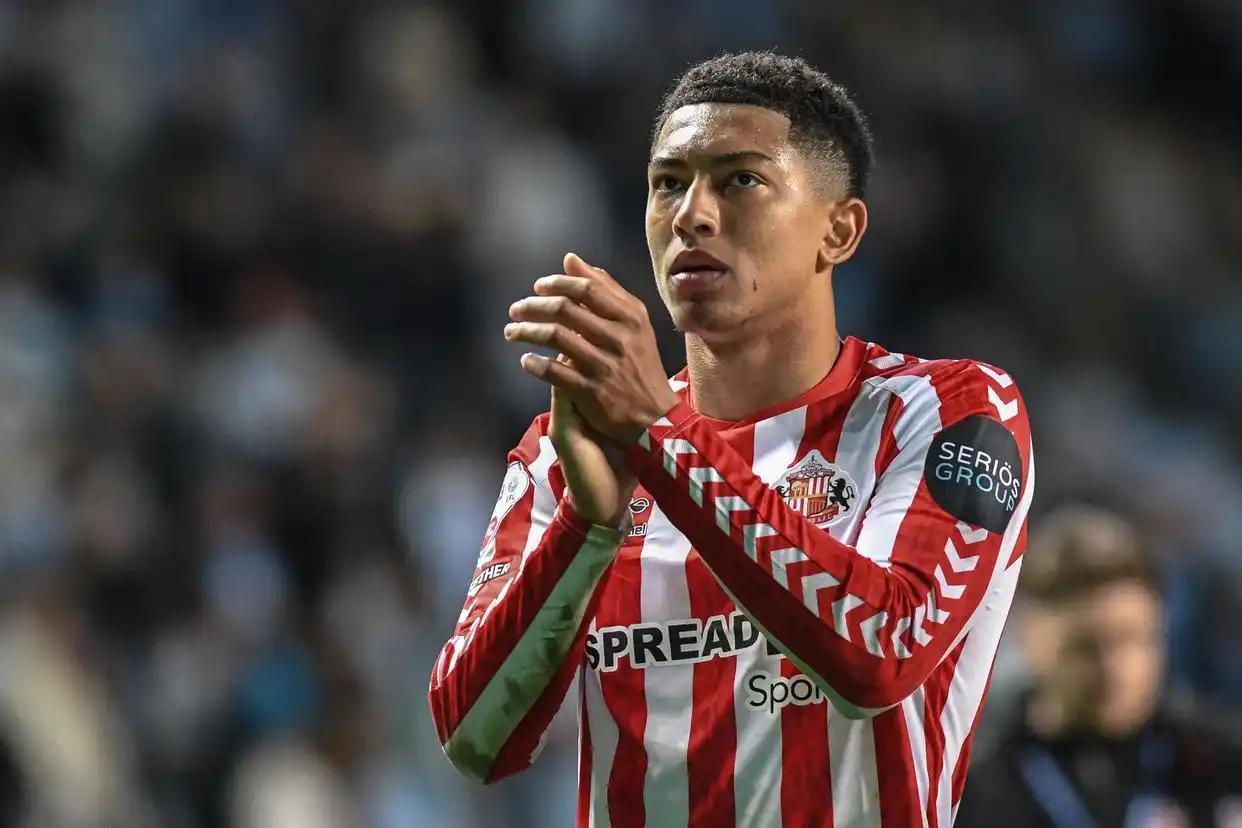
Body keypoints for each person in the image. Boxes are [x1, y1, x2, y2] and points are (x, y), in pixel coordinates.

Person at [428, 51, 1035, 827]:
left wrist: (660, 436)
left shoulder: (949, 411)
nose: (691, 214)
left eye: (740, 179)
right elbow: (474, 738)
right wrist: (587, 528)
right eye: (668, 183)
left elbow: (883, 652)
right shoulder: (568, 452)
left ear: (839, 231)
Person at [956, 507, 1242, 828]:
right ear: (1028, 639)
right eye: (1084, 648)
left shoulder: (1221, 765)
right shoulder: (973, 789)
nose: (1112, 667)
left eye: (1131, 639)